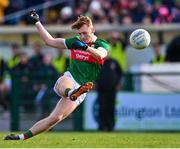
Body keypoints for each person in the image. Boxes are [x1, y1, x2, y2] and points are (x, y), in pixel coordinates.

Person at [4, 9, 110, 140]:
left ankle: (21, 137)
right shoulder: (75, 41)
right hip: (71, 79)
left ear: (93, 30)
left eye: (85, 33)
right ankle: (71, 92)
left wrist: (85, 47)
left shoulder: (101, 44)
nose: (82, 36)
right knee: (64, 81)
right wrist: (37, 22)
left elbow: (101, 54)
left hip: (83, 88)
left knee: (55, 118)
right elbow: (50, 41)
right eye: (80, 34)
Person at [96, 56, 122, 131]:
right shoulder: (99, 62)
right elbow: (94, 73)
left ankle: (111, 126)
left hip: (112, 89)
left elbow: (120, 73)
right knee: (102, 108)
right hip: (101, 89)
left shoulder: (114, 62)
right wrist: (95, 82)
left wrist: (119, 83)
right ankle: (102, 126)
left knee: (111, 108)